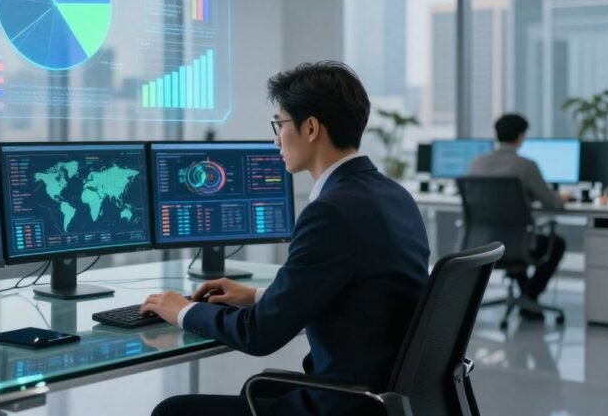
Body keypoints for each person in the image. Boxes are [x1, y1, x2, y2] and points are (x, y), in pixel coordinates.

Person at [141, 61, 430, 416]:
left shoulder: (331, 212)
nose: (276, 139)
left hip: (341, 404)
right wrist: (258, 295)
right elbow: (363, 292)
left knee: (174, 411)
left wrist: (183, 310)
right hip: (384, 396)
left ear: (310, 128)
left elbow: (259, 335)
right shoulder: (393, 195)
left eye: (280, 124)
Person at [468, 113, 567, 311]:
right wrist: (561, 197)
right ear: (521, 136)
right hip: (517, 244)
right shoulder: (526, 166)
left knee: (515, 238)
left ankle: (525, 299)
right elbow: (552, 204)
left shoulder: (476, 163)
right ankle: (530, 296)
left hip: (483, 243)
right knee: (556, 244)